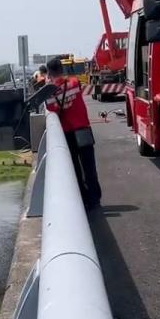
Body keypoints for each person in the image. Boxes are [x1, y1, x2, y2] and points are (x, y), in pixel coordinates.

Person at [45, 57, 103, 210]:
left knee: (75, 168)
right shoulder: (75, 83)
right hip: (83, 128)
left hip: (66, 134)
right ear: (62, 69)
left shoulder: (49, 94)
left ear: (49, 73)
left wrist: (48, 84)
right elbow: (76, 87)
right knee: (89, 166)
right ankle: (95, 198)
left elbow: (51, 110)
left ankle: (83, 199)